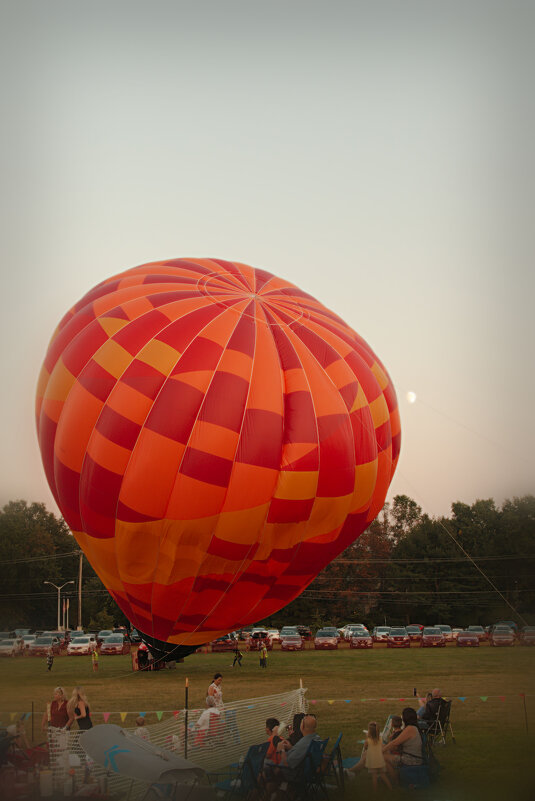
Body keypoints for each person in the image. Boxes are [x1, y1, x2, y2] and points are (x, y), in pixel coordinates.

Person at [382, 707, 424, 779]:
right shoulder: (413, 727)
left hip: (412, 760)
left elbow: (395, 742)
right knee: (384, 750)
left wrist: (381, 750)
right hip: (412, 757)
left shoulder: (410, 728)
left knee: (382, 757)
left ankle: (395, 781)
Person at [354, 721, 392, 791]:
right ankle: (390, 788)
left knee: (374, 777)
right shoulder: (380, 739)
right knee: (383, 775)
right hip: (380, 760)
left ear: (369, 732)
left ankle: (375, 791)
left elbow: (365, 748)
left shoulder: (368, 740)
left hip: (373, 762)